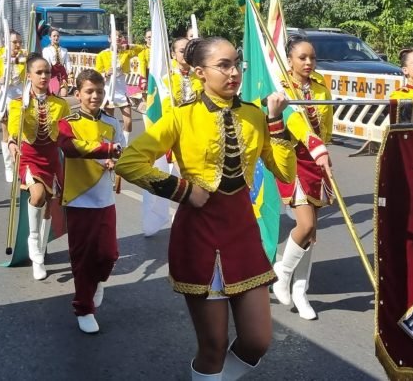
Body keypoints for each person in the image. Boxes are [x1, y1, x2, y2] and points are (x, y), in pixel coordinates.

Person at [116, 37, 296, 380]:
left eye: (235, 64)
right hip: (199, 234)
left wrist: (276, 122)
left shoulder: (255, 116)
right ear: (199, 72)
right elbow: (129, 161)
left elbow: (285, 172)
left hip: (242, 233)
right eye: (223, 65)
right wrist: (182, 190)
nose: (233, 72)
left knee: (258, 340)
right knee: (213, 346)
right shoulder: (181, 117)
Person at [271, 34, 333, 321]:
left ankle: (300, 291)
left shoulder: (321, 86)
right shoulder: (283, 88)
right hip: (293, 158)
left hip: (317, 161)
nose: (308, 62)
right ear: (290, 60)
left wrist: (324, 150)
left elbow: (327, 124)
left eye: (312, 57)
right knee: (304, 224)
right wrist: (316, 147)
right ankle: (282, 274)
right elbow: (294, 122)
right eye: (302, 57)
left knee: (312, 234)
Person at [57, 69, 124, 334]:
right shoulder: (68, 122)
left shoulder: (112, 123)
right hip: (78, 198)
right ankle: (83, 308)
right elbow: (69, 148)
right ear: (78, 94)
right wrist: (106, 150)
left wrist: (114, 161)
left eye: (99, 90)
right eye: (89, 91)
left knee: (109, 255)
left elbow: (120, 152)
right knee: (82, 258)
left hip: (104, 198)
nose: (95, 96)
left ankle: (97, 281)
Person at [8, 53, 71, 280]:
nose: (44, 76)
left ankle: (41, 251)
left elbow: (67, 133)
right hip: (30, 157)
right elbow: (14, 130)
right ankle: (35, 250)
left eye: (47, 72)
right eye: (39, 72)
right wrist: (12, 143)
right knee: (37, 196)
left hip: (52, 159)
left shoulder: (60, 104)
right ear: (29, 75)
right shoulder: (18, 104)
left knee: (47, 205)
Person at [94, 31, 144, 147]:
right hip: (109, 90)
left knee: (128, 121)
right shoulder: (103, 54)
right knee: (110, 121)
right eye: (114, 36)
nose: (117, 38)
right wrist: (106, 73)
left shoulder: (126, 52)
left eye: (119, 36)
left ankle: (124, 145)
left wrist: (126, 46)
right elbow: (97, 73)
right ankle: (110, 145)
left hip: (122, 91)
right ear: (109, 39)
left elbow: (141, 49)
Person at [0, 31, 27, 182]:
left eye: (19, 41)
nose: (18, 45)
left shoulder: (25, 58)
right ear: (7, 42)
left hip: (22, 100)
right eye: (14, 42)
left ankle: (22, 165)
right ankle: (8, 167)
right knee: (7, 134)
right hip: (6, 100)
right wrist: (0, 81)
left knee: (23, 134)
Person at [162, 36, 203, 114]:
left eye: (188, 50)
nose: (186, 54)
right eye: (182, 51)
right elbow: (166, 106)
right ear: (173, 55)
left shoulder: (200, 74)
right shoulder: (167, 78)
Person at [42, 29, 72, 97]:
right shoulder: (46, 50)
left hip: (62, 74)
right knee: (54, 94)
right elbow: (46, 63)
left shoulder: (64, 50)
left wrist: (70, 72)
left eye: (58, 36)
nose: (56, 38)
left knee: (64, 94)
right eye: (54, 36)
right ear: (50, 37)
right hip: (52, 74)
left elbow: (68, 62)